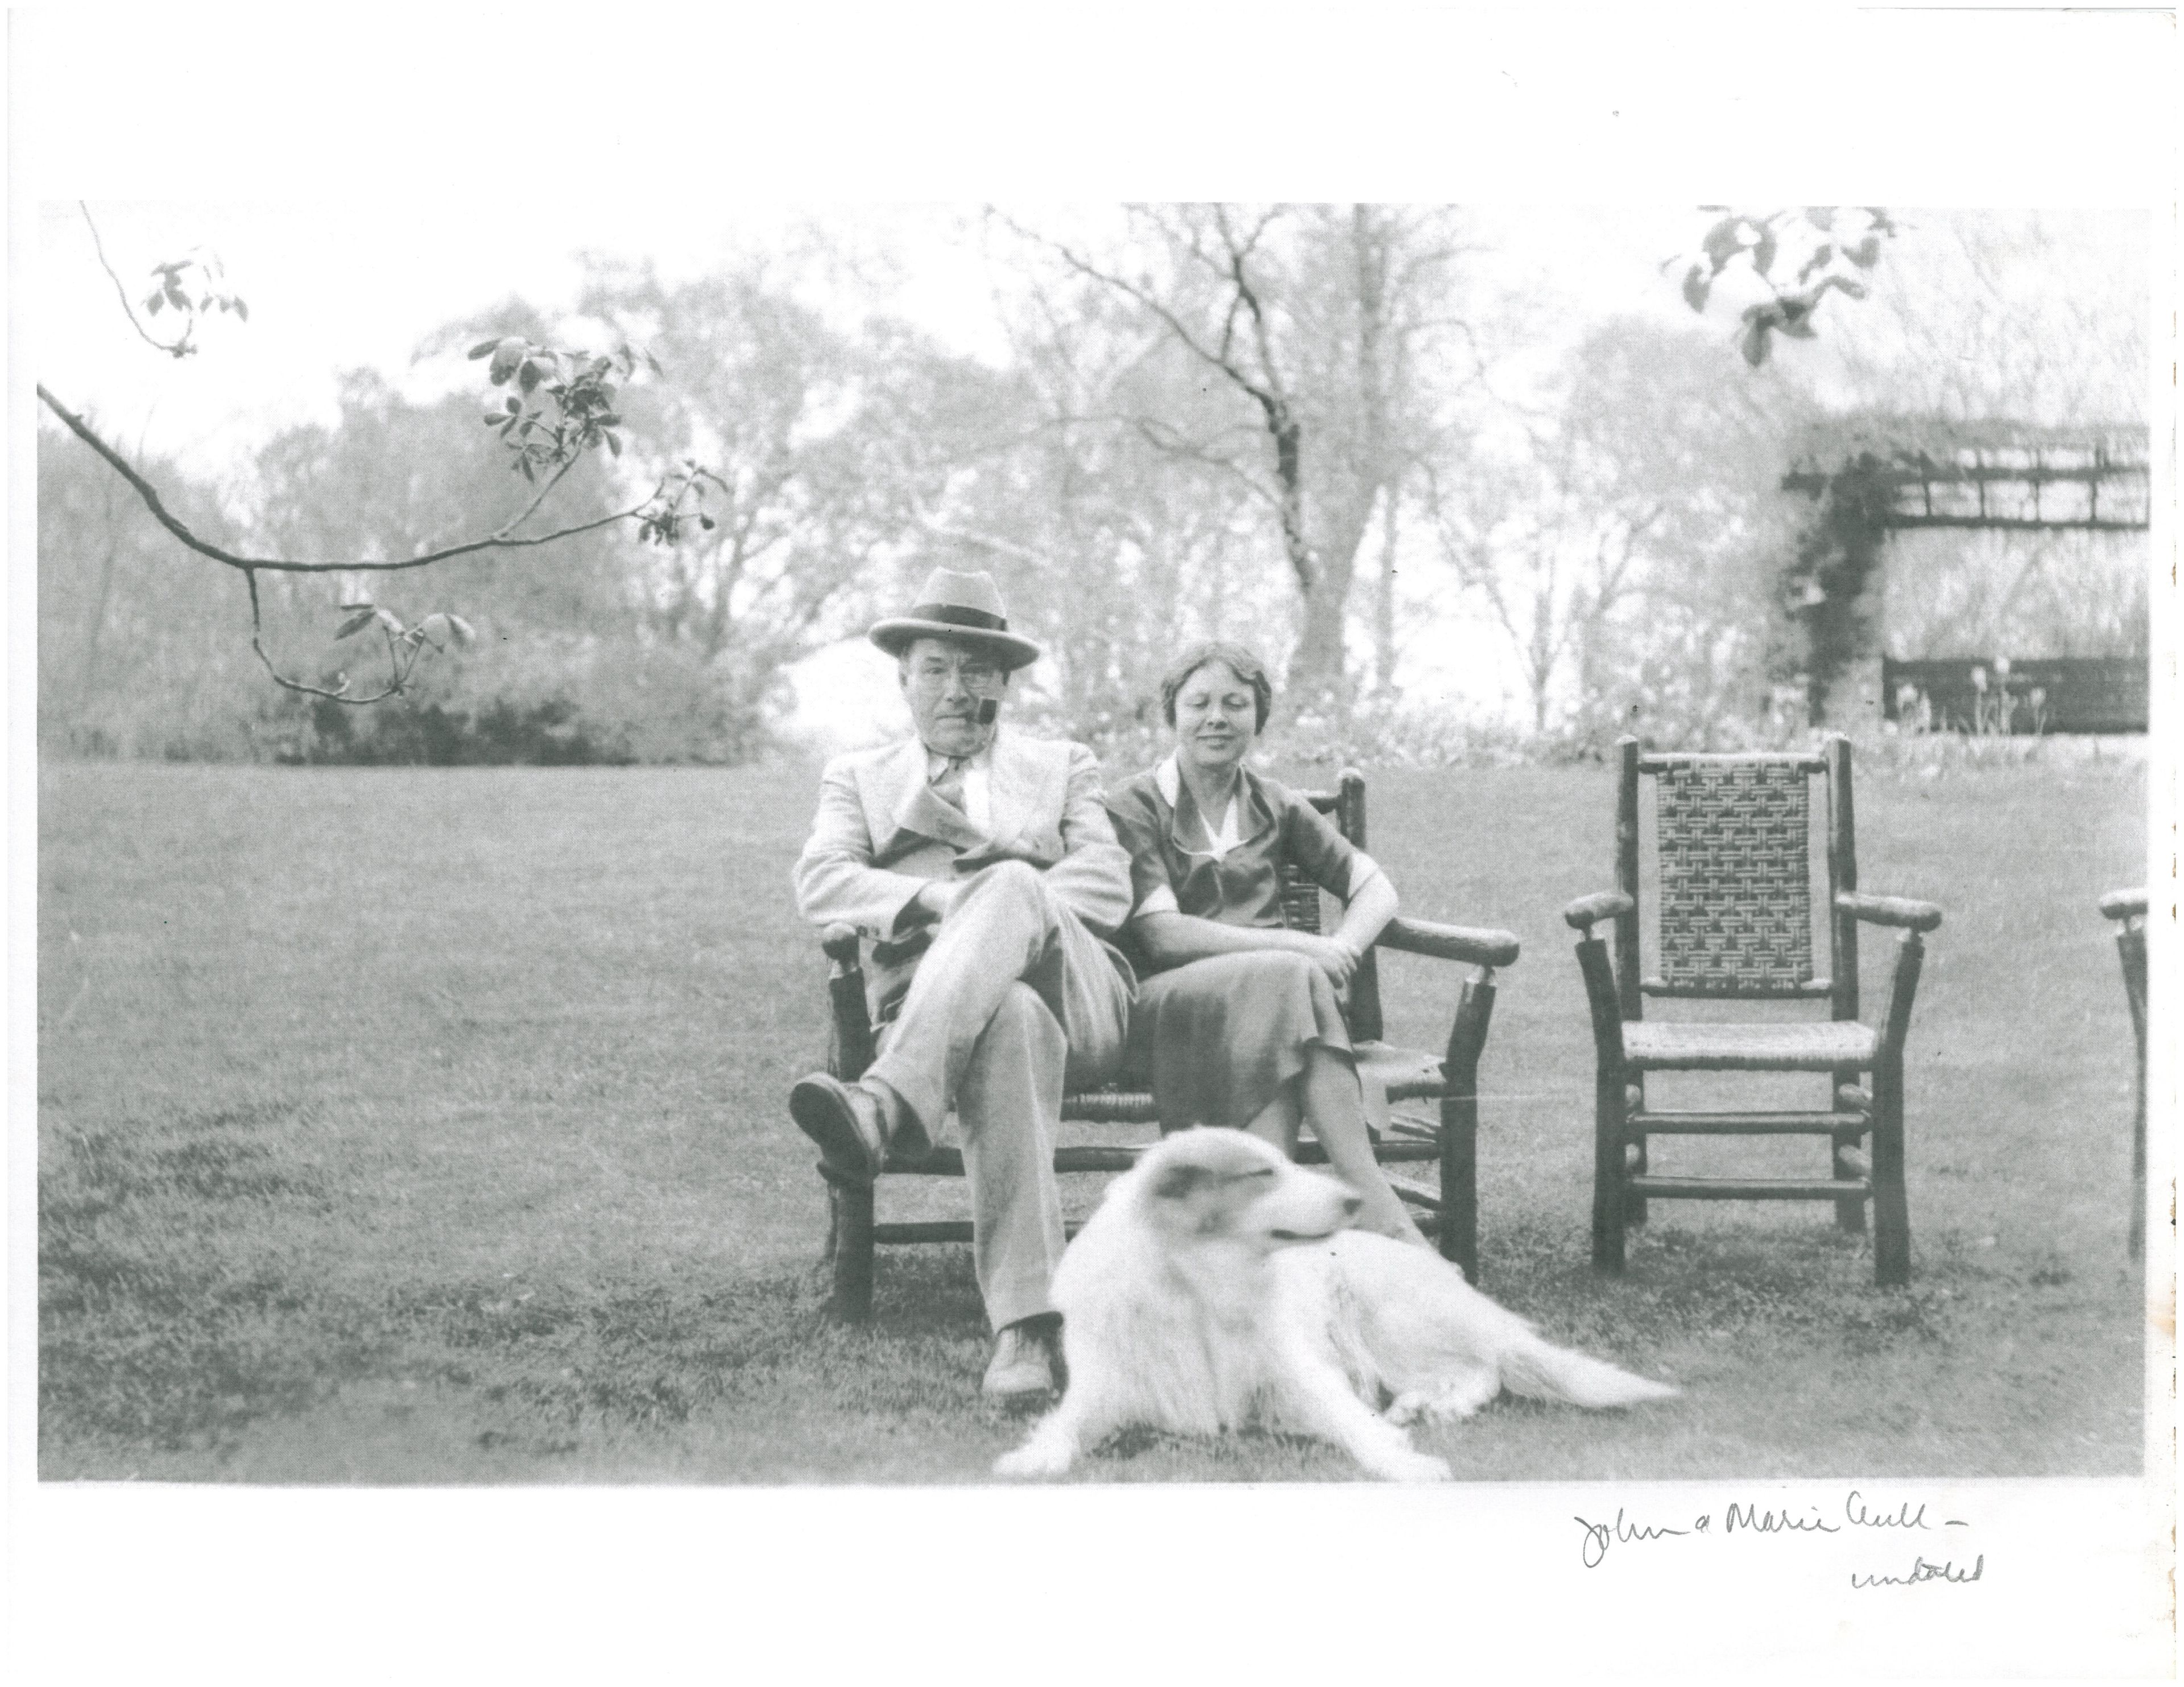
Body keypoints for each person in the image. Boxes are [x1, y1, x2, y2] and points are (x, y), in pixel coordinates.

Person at [789, 567, 1135, 1404]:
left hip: (1079, 995)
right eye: (938, 667)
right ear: (904, 676)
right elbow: (822, 882)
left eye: (978, 670)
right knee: (1005, 1014)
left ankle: (880, 1105)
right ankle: (1024, 1330)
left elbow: (1111, 883)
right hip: (964, 1019)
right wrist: (950, 901)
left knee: (1013, 889)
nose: (957, 689)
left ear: (1005, 684)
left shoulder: (1062, 765)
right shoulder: (861, 778)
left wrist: (1010, 890)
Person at [1105, 641, 1430, 1247]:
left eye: (1236, 704)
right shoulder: (1134, 806)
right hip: (1165, 1009)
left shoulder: (1275, 803)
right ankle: (1372, 1201)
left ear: (1258, 716)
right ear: (1172, 714)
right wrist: (1301, 949)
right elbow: (1162, 934)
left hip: (1273, 1009)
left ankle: (1262, 1232)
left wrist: (1345, 949)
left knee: (1281, 992)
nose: (1217, 718)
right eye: (1199, 703)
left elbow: (1376, 888)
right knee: (1285, 979)